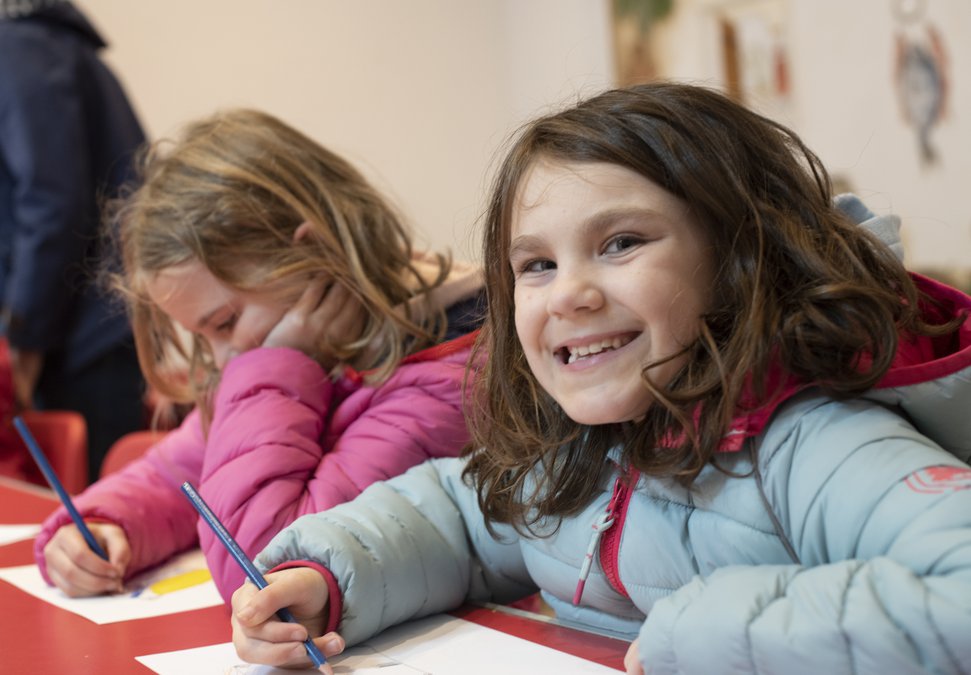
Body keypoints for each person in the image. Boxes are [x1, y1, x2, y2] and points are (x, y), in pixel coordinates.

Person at [229, 82, 971, 674]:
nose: (568, 295)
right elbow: (459, 517)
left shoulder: (816, 440)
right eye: (537, 264)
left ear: (741, 261)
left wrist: (698, 632)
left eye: (619, 243)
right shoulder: (580, 449)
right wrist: (326, 576)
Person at [33, 107, 484, 603]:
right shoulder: (302, 361)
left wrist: (276, 370)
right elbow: (171, 477)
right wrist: (103, 526)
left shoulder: (448, 375)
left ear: (315, 255)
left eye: (225, 322)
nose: (221, 359)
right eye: (201, 337)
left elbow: (264, 565)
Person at [0, 0, 148, 482]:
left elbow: (52, 206)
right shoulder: (50, 46)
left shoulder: (19, 47)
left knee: (94, 511)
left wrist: (24, 341)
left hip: (77, 339)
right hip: (92, 326)